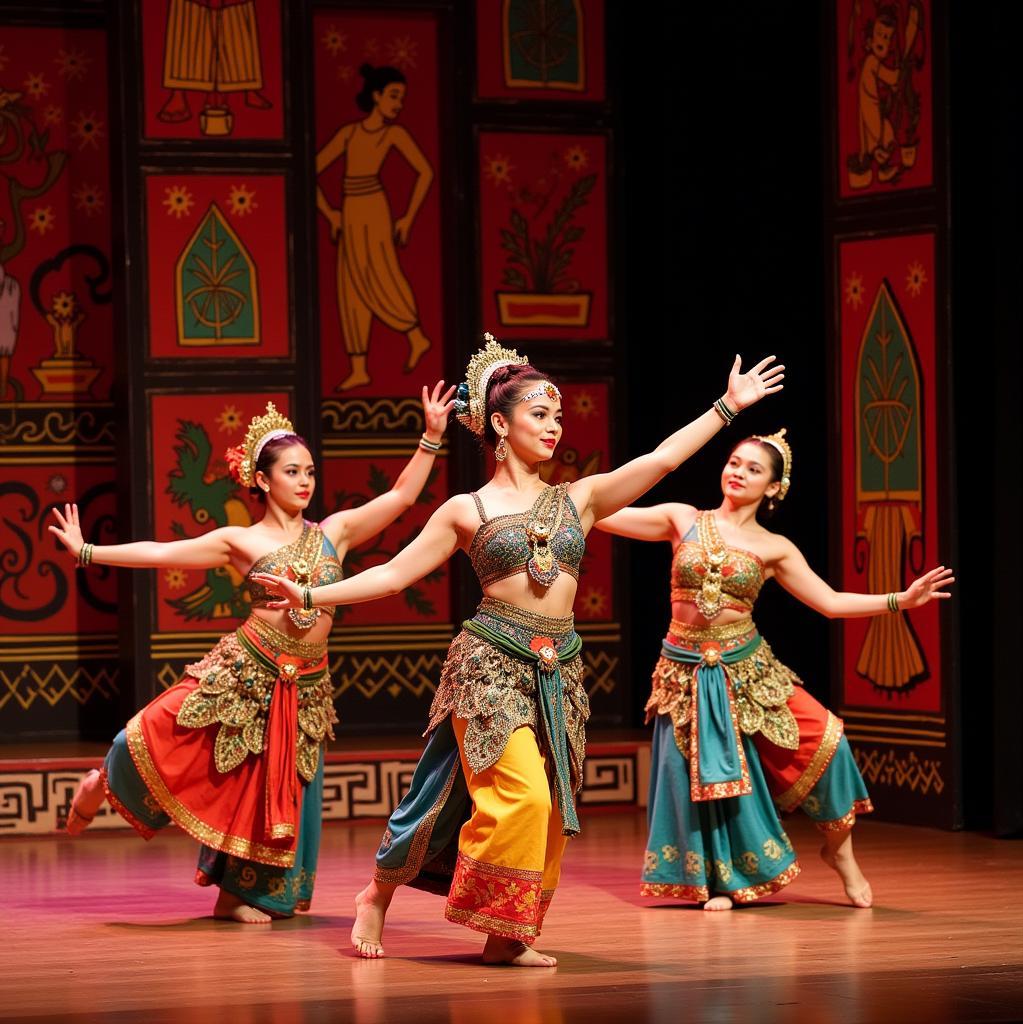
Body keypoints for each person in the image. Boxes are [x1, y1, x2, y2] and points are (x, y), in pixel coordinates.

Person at [252, 333, 785, 964]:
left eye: (558, 416)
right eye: (540, 414)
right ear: (500, 425)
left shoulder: (580, 498)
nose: (555, 427)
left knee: (534, 804)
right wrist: (312, 597)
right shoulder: (465, 509)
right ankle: (380, 893)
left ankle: (507, 933)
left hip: (557, 668)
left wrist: (725, 408)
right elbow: (393, 575)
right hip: (489, 663)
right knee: (522, 796)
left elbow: (662, 460)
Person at [50, 382, 455, 924]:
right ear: (262, 480)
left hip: (306, 682)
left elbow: (401, 497)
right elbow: (163, 552)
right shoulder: (241, 541)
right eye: (292, 471)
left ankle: (239, 896)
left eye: (309, 471)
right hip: (246, 667)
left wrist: (430, 436)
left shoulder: (336, 531)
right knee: (152, 735)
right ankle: (101, 782)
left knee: (273, 787)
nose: (305, 481)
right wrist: (88, 551)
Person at [594, 429, 954, 910]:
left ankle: (840, 850)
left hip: (748, 666)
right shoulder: (682, 519)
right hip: (683, 669)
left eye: (753, 469)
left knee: (829, 741)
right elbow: (600, 512)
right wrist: (566, 492)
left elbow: (828, 602)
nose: (738, 473)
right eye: (735, 462)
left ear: (773, 488)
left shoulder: (775, 547)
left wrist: (899, 600)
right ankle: (720, 883)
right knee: (700, 777)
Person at [316, 64, 434, 391]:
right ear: (377, 96)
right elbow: (310, 171)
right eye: (393, 96)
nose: (398, 103)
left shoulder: (393, 134)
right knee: (350, 285)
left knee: (380, 273)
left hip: (373, 207)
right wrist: (330, 214)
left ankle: (415, 335)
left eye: (402, 98)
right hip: (350, 207)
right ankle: (359, 367)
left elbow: (425, 172)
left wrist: (408, 216)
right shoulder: (349, 134)